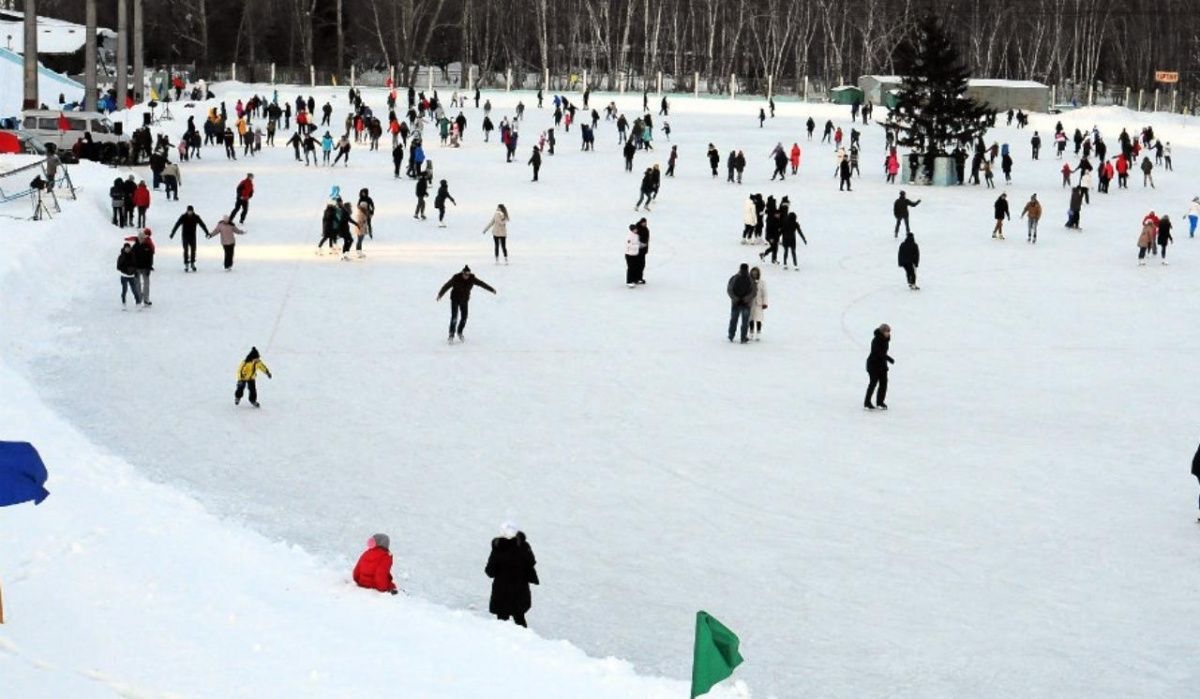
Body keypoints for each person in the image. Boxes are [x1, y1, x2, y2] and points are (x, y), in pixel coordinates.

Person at [485, 522, 538, 627]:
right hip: (520, 589)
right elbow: (531, 562)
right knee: (519, 617)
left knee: (502, 619)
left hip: (502, 591)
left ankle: (502, 641)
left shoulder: (498, 548)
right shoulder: (524, 546)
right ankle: (527, 641)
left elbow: (490, 571)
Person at [436, 266, 497, 343]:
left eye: (468, 275)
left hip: (464, 300)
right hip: (455, 299)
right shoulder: (456, 278)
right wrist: (440, 294)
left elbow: (482, 284)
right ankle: (451, 334)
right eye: (465, 275)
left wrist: (491, 289)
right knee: (454, 317)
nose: (466, 276)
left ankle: (459, 332)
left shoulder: (472, 279)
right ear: (462, 273)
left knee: (464, 318)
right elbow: (447, 286)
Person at [169, 205, 210, 272]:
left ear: (193, 211)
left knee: (193, 250)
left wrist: (207, 232)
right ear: (187, 211)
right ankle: (186, 263)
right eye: (189, 211)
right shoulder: (183, 217)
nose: (190, 212)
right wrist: (172, 233)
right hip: (185, 236)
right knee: (186, 250)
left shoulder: (196, 217)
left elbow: (202, 224)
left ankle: (192, 263)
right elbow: (177, 224)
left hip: (192, 236)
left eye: (191, 211)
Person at [864, 324, 894, 410]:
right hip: (873, 365)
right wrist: (889, 359)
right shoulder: (876, 340)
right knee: (873, 383)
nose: (888, 333)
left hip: (882, 365)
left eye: (889, 331)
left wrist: (886, 362)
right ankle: (867, 402)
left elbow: (882, 354)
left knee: (884, 383)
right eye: (886, 331)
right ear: (882, 332)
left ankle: (880, 402)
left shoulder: (886, 340)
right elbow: (878, 353)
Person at [726, 263, 756, 344]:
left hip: (736, 303)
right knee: (745, 322)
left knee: (733, 320)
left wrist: (736, 298)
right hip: (746, 304)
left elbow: (729, 289)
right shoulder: (750, 279)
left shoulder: (734, 278)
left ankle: (731, 335)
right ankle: (743, 338)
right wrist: (746, 299)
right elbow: (753, 292)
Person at [129, 228, 155, 306]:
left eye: (142, 238)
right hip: (137, 268)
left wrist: (149, 267)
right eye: (140, 238)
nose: (141, 239)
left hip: (145, 268)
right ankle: (139, 298)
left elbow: (150, 258)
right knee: (137, 284)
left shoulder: (148, 246)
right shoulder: (134, 247)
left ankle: (146, 299)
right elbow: (131, 258)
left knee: (146, 283)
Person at [117, 242, 141, 307]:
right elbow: (118, 266)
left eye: (128, 248)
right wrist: (126, 269)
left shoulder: (133, 255)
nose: (127, 249)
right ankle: (123, 302)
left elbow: (136, 265)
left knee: (134, 290)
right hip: (124, 276)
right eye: (126, 248)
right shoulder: (121, 256)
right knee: (124, 290)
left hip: (132, 276)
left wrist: (134, 271)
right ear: (124, 248)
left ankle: (138, 303)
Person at [747, 266, 767, 340]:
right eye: (753, 273)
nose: (754, 275)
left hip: (759, 303)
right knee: (751, 318)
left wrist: (765, 303)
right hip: (750, 303)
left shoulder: (762, 283)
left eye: (756, 273)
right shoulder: (748, 282)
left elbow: (765, 293)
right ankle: (751, 332)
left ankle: (758, 332)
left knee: (758, 319)